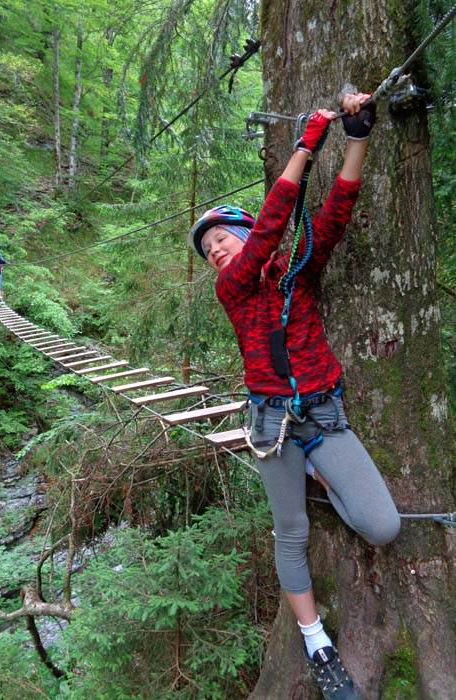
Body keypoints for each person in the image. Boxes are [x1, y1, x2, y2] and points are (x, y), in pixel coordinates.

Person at [187, 94, 400, 700]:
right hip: (270, 424)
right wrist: (306, 145)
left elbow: (331, 216)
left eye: (222, 240)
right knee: (292, 531)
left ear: (245, 234)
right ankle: (315, 642)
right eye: (210, 253)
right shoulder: (234, 288)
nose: (218, 253)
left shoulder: (294, 270)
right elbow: (273, 224)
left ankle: (319, 466)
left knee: (381, 526)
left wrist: (355, 136)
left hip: (324, 415)